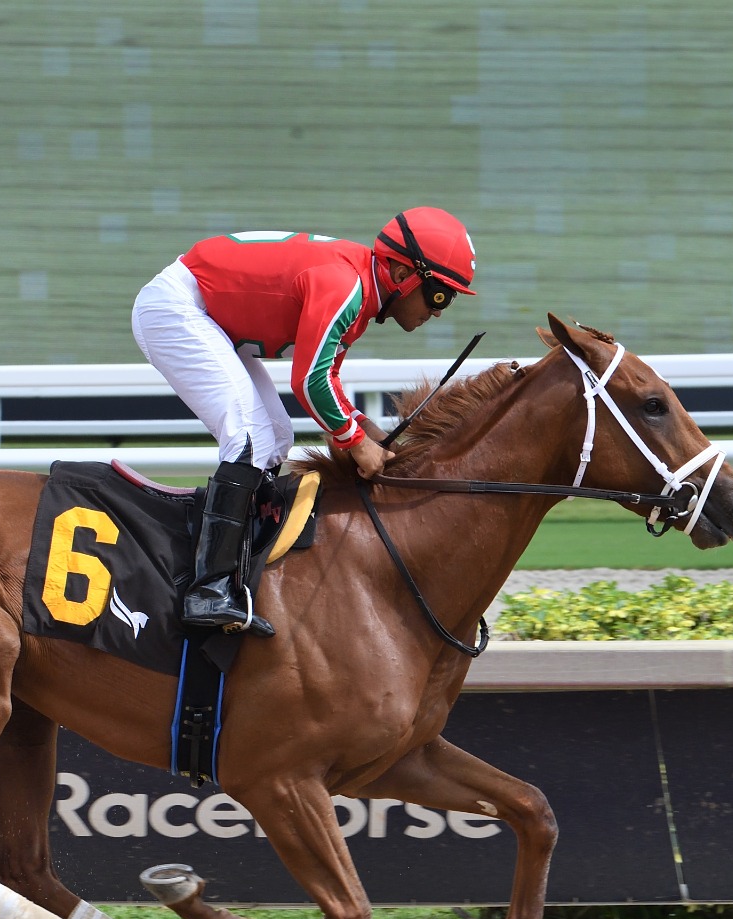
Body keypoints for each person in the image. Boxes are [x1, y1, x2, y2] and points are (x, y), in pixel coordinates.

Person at [131, 208, 476, 636]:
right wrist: (356, 442)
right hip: (178, 308)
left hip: (207, 314)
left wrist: (364, 428)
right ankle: (208, 591)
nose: (439, 311)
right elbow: (309, 380)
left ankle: (243, 571)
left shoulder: (359, 289)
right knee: (248, 441)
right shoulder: (346, 287)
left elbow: (325, 379)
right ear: (403, 272)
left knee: (277, 436)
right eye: (439, 295)